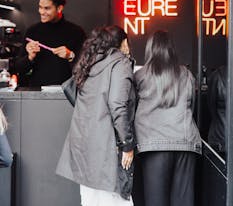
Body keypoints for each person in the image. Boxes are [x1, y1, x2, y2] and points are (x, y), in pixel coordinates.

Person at [56, 25, 136, 206]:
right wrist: (127, 144)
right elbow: (118, 105)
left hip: (83, 145)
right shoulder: (120, 62)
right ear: (123, 42)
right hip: (107, 147)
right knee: (117, 201)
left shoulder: (88, 61)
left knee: (91, 200)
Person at [133, 30, 202, 206]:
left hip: (153, 145)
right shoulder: (186, 74)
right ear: (172, 49)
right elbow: (193, 107)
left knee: (156, 201)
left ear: (149, 50)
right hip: (185, 142)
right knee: (184, 202)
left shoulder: (139, 76)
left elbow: (130, 109)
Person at [14, 0, 86, 87]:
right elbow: (18, 68)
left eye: (47, 8)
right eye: (40, 7)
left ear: (59, 8)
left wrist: (71, 56)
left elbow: (86, 67)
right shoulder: (32, 31)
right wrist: (30, 57)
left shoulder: (76, 32)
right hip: (37, 93)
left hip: (66, 93)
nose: (41, 12)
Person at [207, 65, 227, 157]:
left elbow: (211, 106)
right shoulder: (217, 75)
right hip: (221, 135)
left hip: (220, 135)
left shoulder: (217, 76)